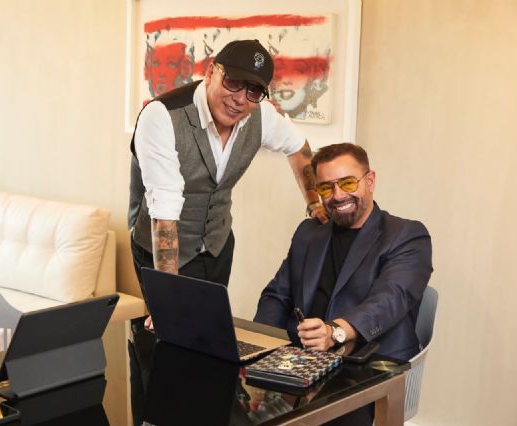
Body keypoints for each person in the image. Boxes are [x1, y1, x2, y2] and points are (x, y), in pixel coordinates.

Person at [129, 40, 328, 327]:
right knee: (169, 331)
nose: (240, 99)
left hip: (217, 246)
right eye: (233, 82)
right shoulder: (161, 116)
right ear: (211, 72)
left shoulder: (261, 116)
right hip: (163, 250)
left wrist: (314, 203)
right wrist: (169, 296)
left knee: (210, 331)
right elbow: (165, 212)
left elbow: (298, 147)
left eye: (254, 91)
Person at [254, 143, 433, 425]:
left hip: (368, 369)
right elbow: (278, 295)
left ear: (370, 181)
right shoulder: (309, 232)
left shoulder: (407, 235)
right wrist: (259, 349)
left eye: (348, 183)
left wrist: (334, 332)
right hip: (302, 365)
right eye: (326, 188)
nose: (338, 196)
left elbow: (391, 298)